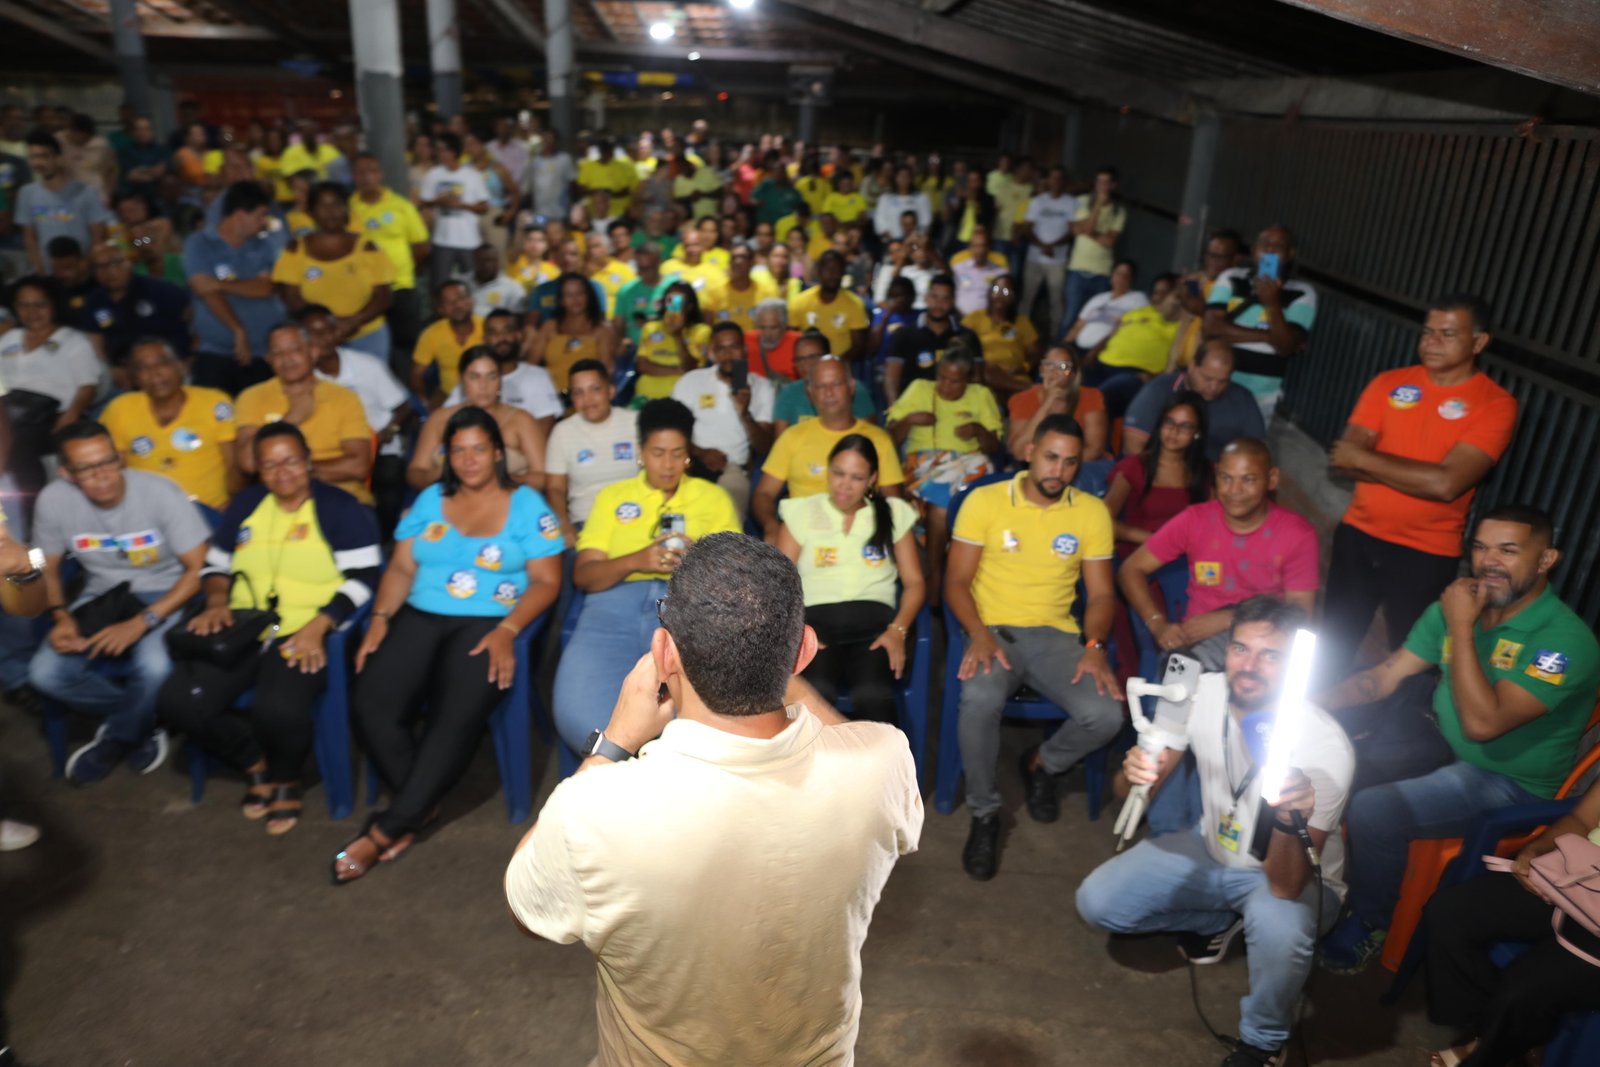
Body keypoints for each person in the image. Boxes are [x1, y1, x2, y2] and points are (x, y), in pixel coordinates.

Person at [506, 534, 921, 1064]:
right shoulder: (885, 760)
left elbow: (527, 907)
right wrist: (782, 668)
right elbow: (851, 743)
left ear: (663, 653)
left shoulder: (595, 808)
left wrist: (615, 742)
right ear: (805, 651)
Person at [1316, 506, 1600, 974]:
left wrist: (1462, 626)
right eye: (1481, 547)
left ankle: (1371, 920)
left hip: (1507, 781)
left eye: (1508, 550)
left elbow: (1484, 725)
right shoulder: (1452, 608)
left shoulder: (1563, 640)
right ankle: (1320, 887)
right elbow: (1385, 676)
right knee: (1334, 768)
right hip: (1438, 745)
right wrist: (1310, 702)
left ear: (1546, 559)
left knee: (1375, 810)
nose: (1489, 561)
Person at [1076, 596, 1353, 1067]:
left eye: (1271, 656)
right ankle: (1219, 922)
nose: (1250, 666)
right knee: (1096, 902)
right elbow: (1132, 793)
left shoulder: (1326, 747)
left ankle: (1264, 1042)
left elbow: (1287, 884)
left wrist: (1289, 816)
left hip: (1292, 877)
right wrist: (1134, 773)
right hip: (1212, 846)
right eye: (1240, 649)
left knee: (1282, 927)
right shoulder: (1200, 692)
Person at [338, 406, 562, 883]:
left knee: (452, 717)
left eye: (479, 448)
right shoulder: (428, 501)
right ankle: (420, 804)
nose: (468, 459)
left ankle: (386, 830)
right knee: (371, 701)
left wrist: (508, 629)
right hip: (420, 614)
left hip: (486, 622)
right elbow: (400, 569)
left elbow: (546, 582)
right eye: (457, 450)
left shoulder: (528, 506)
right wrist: (379, 617)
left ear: (498, 453)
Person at [156, 422, 380, 834]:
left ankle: (286, 776)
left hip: (306, 630)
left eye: (291, 460)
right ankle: (254, 763)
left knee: (278, 708)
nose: (282, 472)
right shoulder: (246, 504)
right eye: (270, 464)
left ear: (308, 460)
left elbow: (366, 577)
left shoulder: (339, 507)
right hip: (241, 628)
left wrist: (321, 625)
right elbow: (216, 564)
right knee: (178, 700)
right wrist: (218, 601)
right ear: (257, 469)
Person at [946, 414, 1122, 880]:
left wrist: (1094, 644)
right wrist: (979, 632)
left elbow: (1102, 595)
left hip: (1056, 636)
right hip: (994, 631)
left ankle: (1045, 762)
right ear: (1029, 451)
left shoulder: (1090, 512)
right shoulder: (985, 500)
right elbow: (957, 581)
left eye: (1069, 462)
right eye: (1050, 457)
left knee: (1106, 714)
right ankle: (984, 812)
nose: (1057, 471)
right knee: (979, 698)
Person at [1319, 294, 1517, 684]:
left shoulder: (1495, 404)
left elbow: (1447, 484)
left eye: (1447, 334)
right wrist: (1417, 475)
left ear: (1478, 343)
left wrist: (1367, 460)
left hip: (1424, 554)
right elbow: (1342, 459)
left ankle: (1398, 740)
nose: (1431, 341)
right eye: (1428, 332)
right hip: (1358, 537)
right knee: (1332, 647)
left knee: (1413, 660)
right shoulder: (1389, 383)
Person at [551, 399, 741, 752]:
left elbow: (735, 579)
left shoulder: (713, 498)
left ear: (689, 455)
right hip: (614, 605)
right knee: (579, 714)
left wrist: (699, 559)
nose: (668, 465)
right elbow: (586, 575)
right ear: (640, 453)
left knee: (706, 722)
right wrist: (638, 559)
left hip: (690, 609)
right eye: (657, 453)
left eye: (677, 454)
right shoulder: (612, 497)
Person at [30, 419, 209, 785]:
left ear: (120, 456)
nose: (104, 475)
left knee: (154, 665)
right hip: (104, 595)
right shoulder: (53, 500)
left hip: (168, 593)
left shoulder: (160, 492)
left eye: (109, 461)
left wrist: (141, 622)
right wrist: (61, 616)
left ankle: (118, 737)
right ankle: (146, 719)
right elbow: (44, 566)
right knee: (44, 674)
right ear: (67, 473)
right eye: (87, 469)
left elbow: (197, 571)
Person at [1421, 773, 1600, 1067]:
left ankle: (1491, 1045)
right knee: (1451, 912)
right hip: (1581, 875)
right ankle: (1488, 1033)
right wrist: (1541, 848)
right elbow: (1581, 820)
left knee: (1526, 987)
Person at [1118, 438, 1319, 669]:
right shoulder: (1194, 520)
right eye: (1226, 478)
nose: (1235, 491)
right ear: (1216, 476)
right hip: (1198, 643)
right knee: (1179, 686)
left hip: (1265, 644)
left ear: (1272, 479)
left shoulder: (1297, 534)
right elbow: (1130, 569)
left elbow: (1302, 614)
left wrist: (1231, 618)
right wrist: (1157, 624)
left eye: (1249, 479)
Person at [776, 433, 924, 723]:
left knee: (873, 694)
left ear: (872, 479)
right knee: (815, 696)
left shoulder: (893, 513)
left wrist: (898, 630)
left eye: (857, 477)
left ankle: (884, 768)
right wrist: (795, 628)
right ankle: (819, 769)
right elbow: (778, 582)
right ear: (828, 470)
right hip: (816, 632)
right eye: (839, 473)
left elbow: (916, 583)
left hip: (876, 632)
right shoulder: (803, 511)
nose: (844, 484)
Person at [1104, 390, 1211, 681]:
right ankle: (1139, 690)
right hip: (1140, 559)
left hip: (1190, 562)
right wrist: (1155, 540)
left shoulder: (1204, 473)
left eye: (1185, 426)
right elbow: (1103, 521)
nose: (1174, 432)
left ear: (1197, 433)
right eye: (1169, 422)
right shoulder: (1135, 467)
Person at [756, 357, 904, 537]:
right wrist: (771, 526)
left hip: (859, 536)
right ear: (810, 392)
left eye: (836, 384)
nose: (829, 393)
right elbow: (763, 494)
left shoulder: (878, 440)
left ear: (851, 387)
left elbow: (894, 503)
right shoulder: (792, 437)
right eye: (820, 386)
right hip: (803, 537)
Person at [301, 305, 413, 533]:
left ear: (338, 333)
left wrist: (385, 434)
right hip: (332, 451)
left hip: (380, 445)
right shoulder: (303, 378)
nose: (321, 339)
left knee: (388, 479)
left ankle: (385, 537)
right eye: (312, 334)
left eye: (327, 331)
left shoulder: (367, 366)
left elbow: (403, 406)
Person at [234, 322, 374, 504]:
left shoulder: (344, 398)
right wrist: (291, 418)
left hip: (339, 496)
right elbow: (249, 463)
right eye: (278, 353)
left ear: (313, 352)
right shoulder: (253, 397)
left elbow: (358, 466)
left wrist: (288, 472)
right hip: (278, 502)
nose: (287, 359)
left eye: (295, 350)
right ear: (268, 359)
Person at [101, 340, 238, 511]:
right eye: (143, 368)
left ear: (180, 367)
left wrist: (231, 508)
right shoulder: (120, 409)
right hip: (148, 514)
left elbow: (233, 465)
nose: (154, 373)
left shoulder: (215, 403)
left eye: (162, 363)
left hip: (210, 510)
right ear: (135, 377)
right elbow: (113, 470)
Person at [271, 181, 394, 363]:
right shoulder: (295, 249)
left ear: (347, 209)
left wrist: (352, 322)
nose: (331, 211)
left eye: (337, 204)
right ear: (311, 212)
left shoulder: (368, 247)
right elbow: (292, 298)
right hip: (318, 339)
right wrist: (326, 328)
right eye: (323, 205)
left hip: (367, 336)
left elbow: (384, 297)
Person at [1203, 225, 1316, 421]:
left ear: (1290, 253)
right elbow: (1211, 327)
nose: (1270, 250)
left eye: (1278, 246)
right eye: (1264, 244)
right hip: (1214, 385)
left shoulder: (1303, 293)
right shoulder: (1231, 278)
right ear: (1254, 250)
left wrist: (1272, 303)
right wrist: (1268, 336)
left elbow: (1285, 347)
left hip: (1260, 395)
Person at [184, 181, 286, 394]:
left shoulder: (264, 245)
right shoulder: (199, 243)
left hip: (263, 354)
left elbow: (266, 287)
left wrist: (219, 283)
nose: (264, 222)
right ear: (240, 215)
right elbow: (206, 292)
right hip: (216, 353)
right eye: (260, 215)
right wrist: (237, 329)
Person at [671, 321, 775, 515]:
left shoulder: (761, 387)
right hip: (691, 464)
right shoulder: (692, 381)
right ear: (712, 353)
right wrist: (700, 453)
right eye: (721, 349)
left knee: (725, 527)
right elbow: (671, 430)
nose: (728, 355)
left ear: (744, 350)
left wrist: (744, 413)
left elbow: (765, 446)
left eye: (734, 347)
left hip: (732, 468)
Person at [410, 346, 547, 493]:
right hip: (450, 503)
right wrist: (446, 473)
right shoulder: (440, 420)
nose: (483, 386)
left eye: (491, 376)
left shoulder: (520, 420)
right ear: (462, 379)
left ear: (500, 379)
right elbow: (415, 473)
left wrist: (499, 479)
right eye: (475, 377)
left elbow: (543, 477)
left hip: (507, 503)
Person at [348, 152, 431, 380]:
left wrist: (403, 270)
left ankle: (410, 391)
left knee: (405, 344)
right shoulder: (348, 209)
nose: (367, 177)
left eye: (372, 171)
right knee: (372, 346)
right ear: (354, 176)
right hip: (364, 291)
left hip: (400, 286)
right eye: (361, 172)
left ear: (380, 174)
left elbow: (421, 246)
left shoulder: (400, 206)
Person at [544, 359, 640, 544]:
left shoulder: (636, 423)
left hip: (636, 519)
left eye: (595, 389)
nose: (587, 399)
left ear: (611, 391)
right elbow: (555, 488)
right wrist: (564, 526)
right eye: (578, 392)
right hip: (585, 523)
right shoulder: (562, 432)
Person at [1122, 339, 1265, 462]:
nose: (1213, 387)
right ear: (1192, 366)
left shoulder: (1243, 399)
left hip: (1215, 479)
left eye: (1222, 381)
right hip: (1159, 472)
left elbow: (1255, 452)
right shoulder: (1159, 390)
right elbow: (1134, 445)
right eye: (1207, 378)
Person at [0, 277, 103, 434]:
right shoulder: (9, 338)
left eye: (40, 304)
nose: (32, 312)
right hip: (7, 417)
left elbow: (88, 387)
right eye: (23, 305)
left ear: (53, 305)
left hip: (50, 420)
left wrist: (70, 417)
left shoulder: (73, 341)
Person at [83, 241, 191, 381]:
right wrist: (110, 370)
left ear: (128, 262)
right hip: (122, 374)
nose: (109, 271)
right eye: (100, 267)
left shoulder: (161, 290)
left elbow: (192, 317)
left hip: (167, 367)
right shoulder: (94, 301)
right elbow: (95, 342)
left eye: (115, 263)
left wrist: (189, 358)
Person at [444, 309, 563, 433]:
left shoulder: (538, 377)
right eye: (493, 332)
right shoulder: (471, 379)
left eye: (508, 330)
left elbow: (545, 427)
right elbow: (446, 422)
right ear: (485, 339)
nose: (501, 337)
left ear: (519, 335)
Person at [18, 130, 111, 274]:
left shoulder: (87, 192)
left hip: (83, 273)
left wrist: (85, 266)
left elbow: (98, 235)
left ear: (58, 157)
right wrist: (41, 270)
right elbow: (29, 238)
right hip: (49, 274)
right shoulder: (27, 193)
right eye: (32, 157)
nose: (38, 163)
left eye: (44, 156)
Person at [883, 273, 981, 406]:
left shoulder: (968, 337)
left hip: (955, 409)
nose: (939, 304)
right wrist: (894, 412)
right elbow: (891, 379)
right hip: (913, 407)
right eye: (935, 297)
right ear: (926, 298)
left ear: (953, 301)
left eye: (945, 299)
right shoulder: (903, 335)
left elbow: (976, 379)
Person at [1006, 343, 1109, 461]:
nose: (1054, 372)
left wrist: (1061, 466)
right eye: (1049, 365)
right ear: (1041, 369)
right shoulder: (1022, 400)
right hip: (1038, 467)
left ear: (1073, 373)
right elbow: (1019, 452)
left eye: (1063, 366)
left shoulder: (1090, 396)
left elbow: (1095, 449)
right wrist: (1046, 404)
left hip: (1083, 465)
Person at [419, 132, 490, 293]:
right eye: (438, 150)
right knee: (439, 285)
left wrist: (461, 205)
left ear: (454, 152)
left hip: (469, 240)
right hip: (442, 240)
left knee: (472, 285)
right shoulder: (433, 174)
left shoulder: (472, 176)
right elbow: (424, 201)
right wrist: (439, 202)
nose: (440, 154)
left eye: (444, 150)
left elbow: (484, 207)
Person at [1062, 165, 1127, 332]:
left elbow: (1110, 241)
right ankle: (1058, 353)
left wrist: (1085, 229)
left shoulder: (1119, 210)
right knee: (1070, 316)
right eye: (1099, 181)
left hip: (1102, 272)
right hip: (1078, 268)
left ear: (1113, 185)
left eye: (1106, 182)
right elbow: (1077, 230)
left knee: (1094, 320)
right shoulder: (1083, 201)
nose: (1101, 186)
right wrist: (1097, 206)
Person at [527, 271, 615, 392]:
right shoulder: (549, 327)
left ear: (588, 296)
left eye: (580, 293)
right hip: (550, 396)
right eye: (569, 295)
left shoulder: (602, 330)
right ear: (561, 300)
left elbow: (606, 371)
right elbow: (531, 365)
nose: (575, 299)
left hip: (586, 398)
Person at [1020, 166, 1078, 337]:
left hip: (1058, 260)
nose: (1055, 182)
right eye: (1052, 178)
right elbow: (1027, 228)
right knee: (1027, 298)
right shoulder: (1038, 201)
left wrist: (1053, 246)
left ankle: (1054, 338)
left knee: (1056, 301)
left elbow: (1072, 231)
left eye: (1059, 178)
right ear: (1048, 180)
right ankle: (1022, 336)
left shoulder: (1071, 203)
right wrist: (1043, 246)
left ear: (1064, 181)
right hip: (1034, 258)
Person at [963, 273, 1041, 398]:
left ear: (1013, 297)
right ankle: (1030, 389)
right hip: (982, 374)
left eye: (1005, 291)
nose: (1000, 295)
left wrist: (1024, 368)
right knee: (988, 369)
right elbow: (959, 345)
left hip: (1014, 375)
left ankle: (1013, 390)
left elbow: (1035, 354)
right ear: (989, 293)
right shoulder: (974, 317)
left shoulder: (1021, 322)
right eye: (996, 289)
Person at [633, 280, 711, 403]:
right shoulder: (650, 328)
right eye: (669, 301)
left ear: (689, 307)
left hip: (683, 397)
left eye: (678, 302)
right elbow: (642, 366)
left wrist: (678, 336)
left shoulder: (702, 331)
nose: (673, 306)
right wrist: (678, 370)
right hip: (647, 395)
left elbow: (692, 369)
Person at [787, 250, 868, 366]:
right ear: (819, 271)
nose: (833, 274)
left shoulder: (855, 304)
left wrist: (832, 364)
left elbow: (859, 346)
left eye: (837, 270)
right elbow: (792, 341)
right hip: (807, 366)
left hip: (842, 366)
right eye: (828, 270)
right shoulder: (799, 302)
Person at [410, 279, 483, 405]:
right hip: (449, 398)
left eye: (461, 298)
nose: (457, 305)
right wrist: (425, 402)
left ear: (471, 301)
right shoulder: (431, 334)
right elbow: (416, 375)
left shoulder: (488, 327)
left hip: (486, 394)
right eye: (449, 302)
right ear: (441, 310)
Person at [1064, 259, 1147, 355]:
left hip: (1110, 352)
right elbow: (1078, 325)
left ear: (1132, 279)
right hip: (1080, 349)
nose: (1121, 278)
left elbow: (1138, 326)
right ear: (1112, 275)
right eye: (1118, 273)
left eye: (1126, 275)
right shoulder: (1098, 298)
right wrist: (1065, 346)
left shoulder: (1139, 299)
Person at [712, 242, 777, 332]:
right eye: (734, 258)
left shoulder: (767, 293)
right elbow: (709, 326)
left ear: (751, 262)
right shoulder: (715, 292)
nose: (737, 262)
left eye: (742, 257)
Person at [747, 298, 801, 383]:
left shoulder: (800, 344)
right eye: (762, 328)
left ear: (784, 325)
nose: (767, 334)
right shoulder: (745, 341)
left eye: (774, 328)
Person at [467, 242, 525, 318]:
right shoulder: (462, 283)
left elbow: (518, 316)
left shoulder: (512, 286)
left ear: (497, 261)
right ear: (474, 262)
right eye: (481, 260)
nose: (486, 265)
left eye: (490, 260)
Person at [527, 129, 574, 221]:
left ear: (556, 141)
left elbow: (572, 184)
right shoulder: (535, 161)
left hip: (560, 213)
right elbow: (531, 187)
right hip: (540, 212)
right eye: (545, 139)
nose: (547, 142)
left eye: (550, 139)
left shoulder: (565, 159)